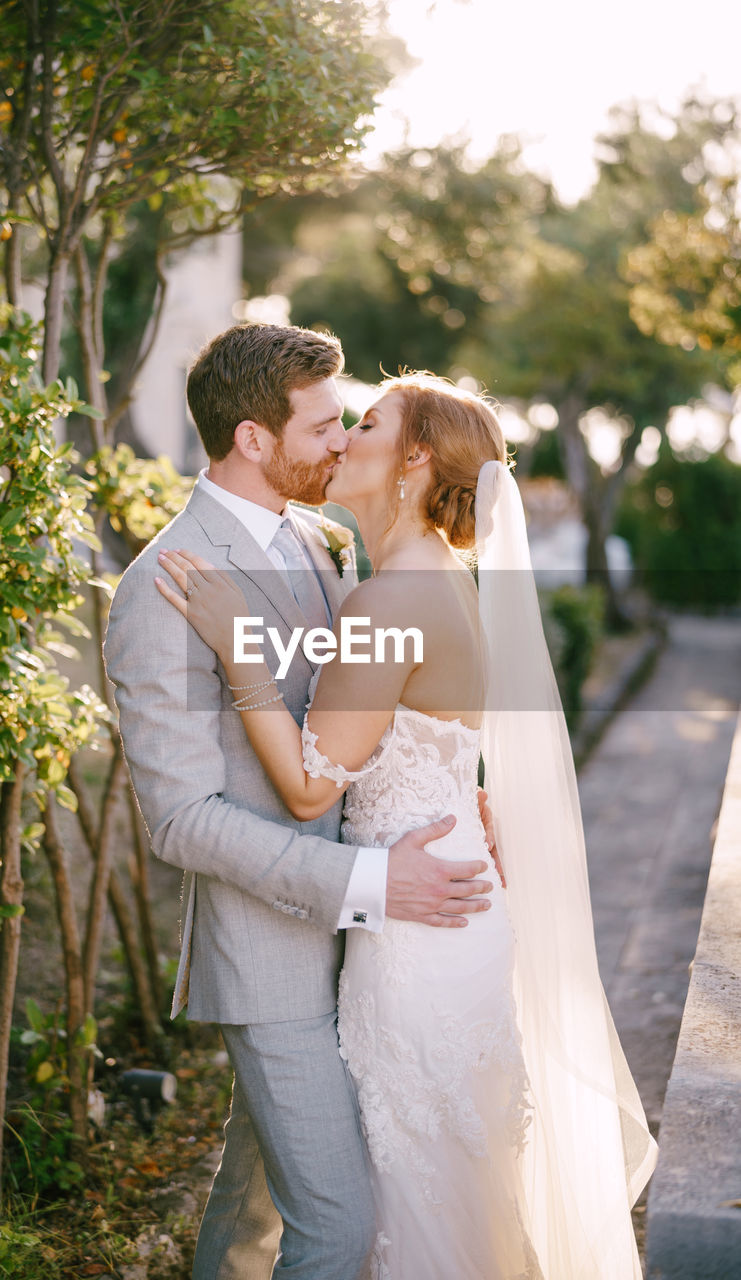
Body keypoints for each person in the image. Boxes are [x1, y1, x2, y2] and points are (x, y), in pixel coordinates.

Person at [156, 370, 659, 1278]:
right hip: (446, 894)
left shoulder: (390, 600)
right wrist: (465, 794)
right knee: (444, 1184)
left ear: (414, 458)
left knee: (409, 1189)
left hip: (418, 926)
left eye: (368, 421)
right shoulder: (430, 579)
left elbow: (313, 789)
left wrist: (240, 649)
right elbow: (433, 740)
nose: (344, 435)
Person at [103, 325, 501, 1280]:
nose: (338, 442)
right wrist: (369, 879)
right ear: (252, 438)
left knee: (251, 1222)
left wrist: (457, 786)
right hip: (274, 954)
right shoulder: (160, 589)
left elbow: (387, 702)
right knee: (336, 1227)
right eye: (325, 425)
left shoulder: (326, 544)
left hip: (371, 955)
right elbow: (181, 819)